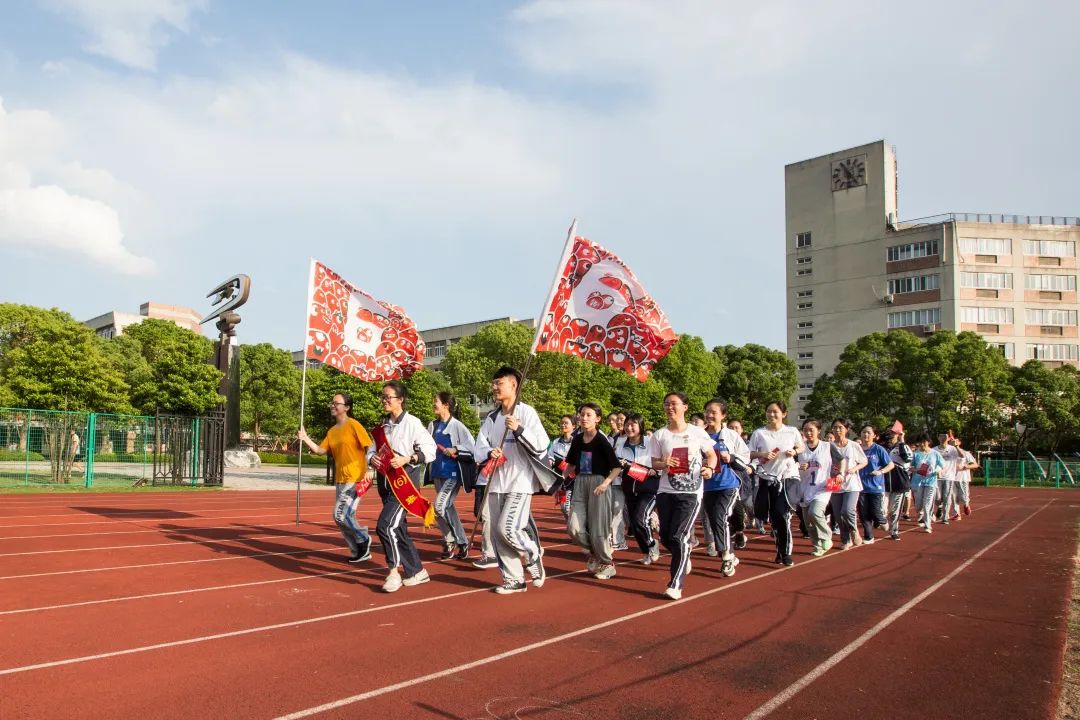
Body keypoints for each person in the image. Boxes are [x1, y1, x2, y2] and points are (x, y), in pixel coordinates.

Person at [474, 366, 549, 594]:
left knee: (507, 528)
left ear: (514, 385)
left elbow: (541, 445)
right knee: (498, 535)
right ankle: (514, 579)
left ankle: (531, 551)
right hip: (496, 482)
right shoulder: (492, 417)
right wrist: (489, 453)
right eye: (494, 383)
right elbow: (479, 446)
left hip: (520, 481)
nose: (495, 387)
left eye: (500, 383)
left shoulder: (526, 413)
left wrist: (519, 429)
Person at [369, 381, 437, 593]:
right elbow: (371, 450)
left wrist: (409, 457)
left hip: (404, 484)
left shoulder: (413, 423)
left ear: (400, 400)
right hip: (385, 484)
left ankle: (393, 572)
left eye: (388, 397)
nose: (384, 400)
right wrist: (371, 459)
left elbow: (430, 450)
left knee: (385, 525)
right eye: (383, 396)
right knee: (398, 529)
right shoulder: (382, 425)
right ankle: (416, 571)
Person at [650, 392, 717, 600]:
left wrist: (710, 470)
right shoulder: (660, 435)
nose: (670, 407)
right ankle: (684, 553)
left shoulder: (698, 433)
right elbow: (654, 463)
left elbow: (711, 455)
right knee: (666, 537)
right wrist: (665, 464)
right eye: (666, 404)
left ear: (685, 407)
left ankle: (675, 584)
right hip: (666, 490)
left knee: (679, 536)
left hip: (691, 493)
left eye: (674, 404)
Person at [298, 393, 375, 563]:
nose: (332, 405)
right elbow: (321, 451)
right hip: (340, 479)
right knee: (344, 517)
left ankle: (363, 537)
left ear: (346, 407)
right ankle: (358, 551)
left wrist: (370, 468)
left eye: (336, 403)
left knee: (340, 514)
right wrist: (305, 439)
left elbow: (369, 446)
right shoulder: (332, 431)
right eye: (331, 403)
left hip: (355, 477)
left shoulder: (354, 425)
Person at [565, 403, 624, 579]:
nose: (584, 418)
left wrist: (605, 483)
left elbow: (616, 468)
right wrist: (558, 480)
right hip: (580, 482)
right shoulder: (577, 440)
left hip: (599, 484)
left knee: (599, 528)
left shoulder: (601, 440)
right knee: (573, 528)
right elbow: (571, 465)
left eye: (589, 415)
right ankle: (595, 552)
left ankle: (607, 563)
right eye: (582, 414)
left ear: (597, 419)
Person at [749, 401, 805, 566]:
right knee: (773, 517)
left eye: (775, 412)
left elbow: (801, 447)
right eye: (768, 411)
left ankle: (786, 553)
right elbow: (749, 453)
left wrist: (794, 451)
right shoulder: (759, 433)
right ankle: (780, 549)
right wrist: (763, 453)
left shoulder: (791, 431)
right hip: (767, 479)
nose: (771, 415)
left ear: (784, 414)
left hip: (788, 478)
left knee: (782, 514)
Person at [703, 399, 751, 576]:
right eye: (707, 411)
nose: (709, 415)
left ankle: (726, 558)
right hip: (707, 486)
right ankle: (729, 553)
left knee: (720, 517)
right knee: (715, 521)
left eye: (714, 412)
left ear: (723, 415)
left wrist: (730, 457)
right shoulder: (700, 435)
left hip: (728, 484)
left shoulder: (731, 435)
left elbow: (745, 457)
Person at [427, 391, 476, 561]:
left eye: (436, 401)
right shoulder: (432, 425)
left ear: (446, 405)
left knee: (439, 506)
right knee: (447, 509)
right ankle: (453, 542)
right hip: (437, 473)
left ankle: (458, 541)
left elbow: (472, 446)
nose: (434, 404)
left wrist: (455, 449)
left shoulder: (457, 426)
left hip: (453, 474)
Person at [615, 413, 660, 565]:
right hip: (629, 488)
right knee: (634, 524)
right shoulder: (621, 444)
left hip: (649, 488)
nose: (629, 427)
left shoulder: (650, 442)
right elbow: (617, 466)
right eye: (627, 424)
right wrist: (621, 469)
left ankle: (653, 544)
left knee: (641, 519)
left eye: (633, 424)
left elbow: (660, 460)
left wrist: (655, 470)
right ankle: (646, 551)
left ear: (641, 426)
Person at [797, 419, 842, 556]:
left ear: (818, 431)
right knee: (808, 523)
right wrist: (798, 467)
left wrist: (840, 473)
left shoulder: (828, 446)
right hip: (805, 489)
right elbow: (790, 465)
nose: (808, 433)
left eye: (811, 429)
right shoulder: (800, 448)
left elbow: (841, 460)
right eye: (805, 430)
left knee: (815, 512)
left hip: (823, 487)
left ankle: (827, 536)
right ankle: (817, 545)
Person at [828, 419, 867, 550]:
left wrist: (854, 469)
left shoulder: (853, 445)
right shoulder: (829, 446)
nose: (837, 430)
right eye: (834, 427)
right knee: (838, 515)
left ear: (846, 429)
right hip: (834, 483)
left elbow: (864, 461)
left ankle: (854, 529)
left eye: (840, 427)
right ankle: (845, 540)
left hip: (851, 483)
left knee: (847, 510)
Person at [856, 424, 895, 544]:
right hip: (860, 485)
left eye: (868, 432)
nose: (865, 435)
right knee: (863, 513)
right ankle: (868, 536)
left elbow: (891, 464)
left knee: (875, 512)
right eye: (863, 432)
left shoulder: (878, 449)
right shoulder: (856, 448)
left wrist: (880, 471)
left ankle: (882, 521)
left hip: (875, 486)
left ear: (874, 435)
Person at [881, 429, 912, 540]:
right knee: (881, 510)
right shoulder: (882, 447)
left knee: (894, 511)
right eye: (889, 433)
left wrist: (902, 442)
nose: (890, 436)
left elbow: (908, 458)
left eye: (894, 433)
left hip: (899, 483)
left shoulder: (903, 447)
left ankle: (894, 530)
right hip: (883, 483)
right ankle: (883, 522)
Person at [911, 434, 945, 533]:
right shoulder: (915, 454)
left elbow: (942, 465)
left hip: (931, 481)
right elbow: (910, 467)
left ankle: (927, 525)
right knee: (918, 505)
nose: (922, 444)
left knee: (927, 504)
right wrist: (917, 470)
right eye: (920, 442)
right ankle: (921, 513)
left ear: (928, 442)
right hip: (918, 482)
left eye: (924, 442)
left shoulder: (935, 453)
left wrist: (938, 470)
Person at [548, 415, 576, 520]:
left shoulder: (577, 442)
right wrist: (550, 463)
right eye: (562, 423)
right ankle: (573, 528)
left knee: (569, 507)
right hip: (561, 480)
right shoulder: (555, 442)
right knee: (564, 508)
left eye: (566, 423)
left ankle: (576, 528)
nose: (563, 425)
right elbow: (550, 457)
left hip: (574, 480)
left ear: (573, 426)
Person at [935, 432, 961, 525]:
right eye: (941, 436)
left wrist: (957, 446)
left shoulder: (952, 449)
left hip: (949, 477)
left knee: (947, 497)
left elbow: (962, 456)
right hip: (937, 477)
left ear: (948, 438)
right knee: (937, 498)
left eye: (945, 436)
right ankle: (940, 506)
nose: (943, 438)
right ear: (938, 437)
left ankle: (945, 517)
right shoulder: (934, 450)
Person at [951, 438, 978, 519]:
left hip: (963, 478)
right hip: (951, 478)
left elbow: (975, 465)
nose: (953, 442)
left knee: (964, 497)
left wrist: (966, 466)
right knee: (953, 497)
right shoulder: (949, 453)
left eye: (956, 441)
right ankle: (957, 514)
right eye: (951, 441)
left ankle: (966, 505)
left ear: (959, 442)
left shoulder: (966, 453)